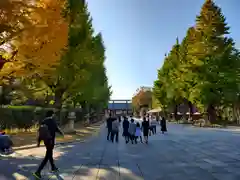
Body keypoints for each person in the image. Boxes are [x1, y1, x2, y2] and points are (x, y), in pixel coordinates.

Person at [33, 110, 64, 179]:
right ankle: (38, 172)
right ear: (52, 114)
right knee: (47, 156)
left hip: (46, 141)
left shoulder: (43, 121)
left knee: (50, 154)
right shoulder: (52, 121)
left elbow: (41, 132)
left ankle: (53, 167)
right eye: (53, 114)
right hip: (51, 141)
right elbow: (56, 129)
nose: (54, 115)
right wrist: (62, 133)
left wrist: (38, 142)